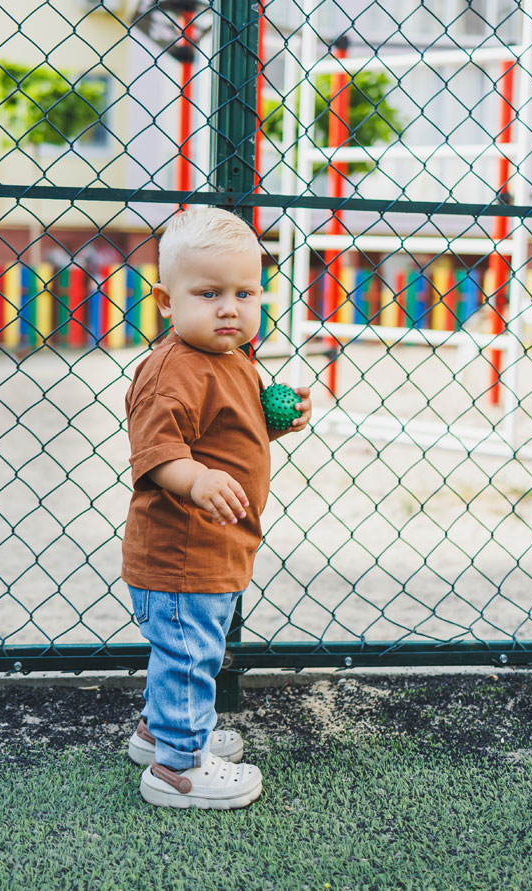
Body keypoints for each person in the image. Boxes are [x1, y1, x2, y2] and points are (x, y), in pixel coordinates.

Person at [121, 207, 312, 809]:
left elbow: (234, 435)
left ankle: (161, 734)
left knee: (186, 652)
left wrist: (278, 419)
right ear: (166, 301)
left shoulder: (235, 360)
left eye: (245, 292)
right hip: (181, 553)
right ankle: (177, 769)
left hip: (214, 547)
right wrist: (196, 478)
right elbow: (157, 453)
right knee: (188, 655)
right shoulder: (171, 371)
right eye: (209, 293)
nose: (230, 308)